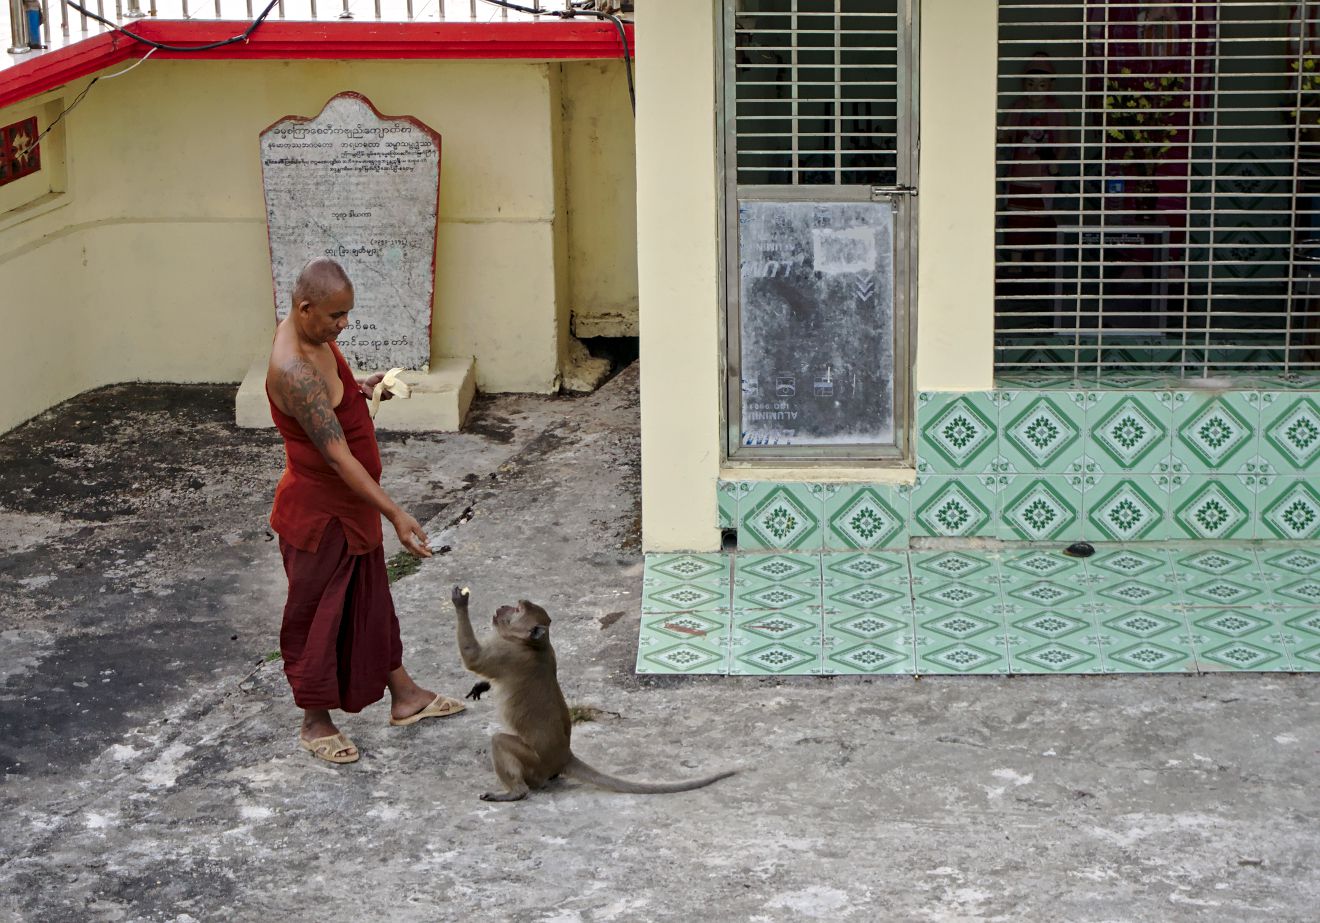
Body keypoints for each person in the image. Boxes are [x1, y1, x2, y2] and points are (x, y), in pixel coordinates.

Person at [265, 258, 463, 764]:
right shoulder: (295, 372)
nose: (343, 325)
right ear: (306, 308)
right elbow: (336, 455)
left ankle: (406, 697)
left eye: (347, 314)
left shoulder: (313, 337)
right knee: (319, 619)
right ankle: (315, 722)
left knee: (370, 604)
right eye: (336, 316)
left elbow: (330, 409)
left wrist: (358, 390)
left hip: (351, 510)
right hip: (321, 516)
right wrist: (396, 513)